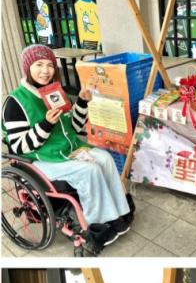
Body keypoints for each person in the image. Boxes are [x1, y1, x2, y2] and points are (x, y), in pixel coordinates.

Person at [2, 44, 132, 249]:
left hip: (67, 149)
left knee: (105, 158)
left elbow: (74, 127)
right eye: (38, 65)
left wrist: (81, 102)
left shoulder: (54, 91)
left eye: (49, 65)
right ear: (27, 68)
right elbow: (19, 147)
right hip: (40, 159)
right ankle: (96, 224)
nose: (45, 71)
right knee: (90, 170)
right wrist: (46, 124)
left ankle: (118, 212)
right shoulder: (15, 102)